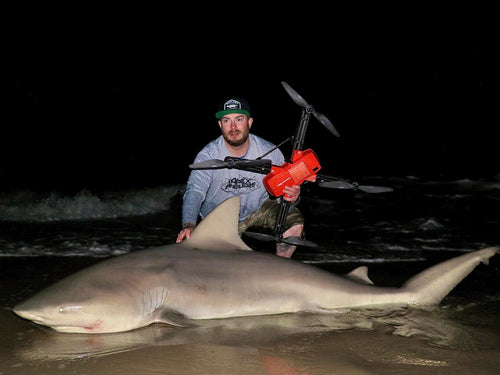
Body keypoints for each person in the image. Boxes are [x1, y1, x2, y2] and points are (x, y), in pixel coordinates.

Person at [176, 97, 304, 258]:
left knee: (294, 223)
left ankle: (281, 266)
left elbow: (282, 195)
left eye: (239, 119)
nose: (233, 127)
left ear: (249, 122)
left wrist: (291, 198)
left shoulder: (271, 152)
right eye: (226, 120)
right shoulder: (208, 155)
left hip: (255, 210)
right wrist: (189, 224)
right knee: (216, 267)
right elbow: (195, 191)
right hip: (220, 217)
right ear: (220, 125)